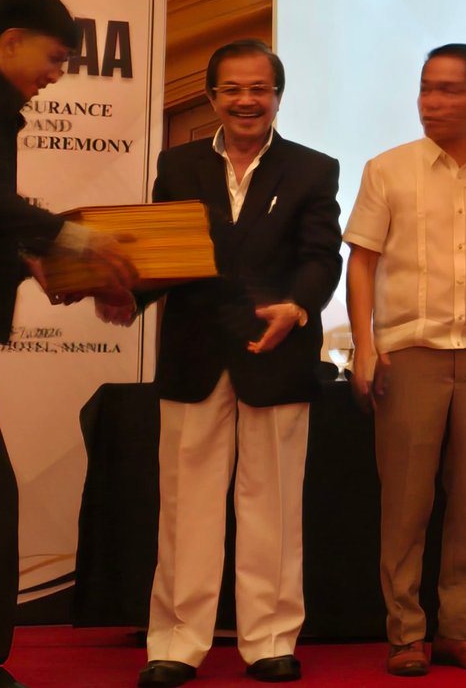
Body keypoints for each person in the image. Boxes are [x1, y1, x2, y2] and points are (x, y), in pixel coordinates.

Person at [110, 40, 343, 688]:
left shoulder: (313, 169)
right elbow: (163, 254)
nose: (246, 100)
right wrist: (126, 293)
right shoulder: (177, 164)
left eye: (259, 88)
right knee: (185, 506)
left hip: (277, 352)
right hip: (195, 354)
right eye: (232, 89)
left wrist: (299, 306)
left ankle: (270, 640)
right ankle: (175, 643)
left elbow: (322, 256)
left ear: (278, 96)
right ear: (212, 97)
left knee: (273, 504)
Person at [344, 44, 466, 677]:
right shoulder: (387, 169)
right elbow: (362, 261)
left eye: (449, 90)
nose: (432, 101)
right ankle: (406, 634)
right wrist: (366, 346)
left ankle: (458, 630)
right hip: (409, 354)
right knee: (406, 501)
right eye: (427, 88)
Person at [0, 0, 134, 688]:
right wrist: (75, 238)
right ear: (11, 40)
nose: (57, 74)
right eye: (55, 56)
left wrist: (36, 262)